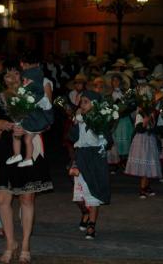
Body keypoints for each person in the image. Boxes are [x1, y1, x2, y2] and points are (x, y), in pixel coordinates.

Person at [0, 62, 53, 264]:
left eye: (15, 73)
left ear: (22, 76)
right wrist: (1, 124)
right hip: (6, 150)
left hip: (28, 149)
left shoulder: (32, 95)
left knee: (27, 200)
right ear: (2, 79)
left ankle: (25, 245)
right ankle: (10, 243)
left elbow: (47, 122)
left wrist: (30, 130)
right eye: (7, 75)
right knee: (3, 200)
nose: (11, 77)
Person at [69, 90, 111, 239]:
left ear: (95, 104)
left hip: (94, 158)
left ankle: (92, 225)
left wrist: (102, 141)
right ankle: (85, 212)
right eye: (81, 102)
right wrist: (75, 123)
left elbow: (108, 140)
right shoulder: (79, 119)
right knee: (79, 197)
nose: (82, 105)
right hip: (82, 157)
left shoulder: (101, 119)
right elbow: (72, 137)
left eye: (86, 102)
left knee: (93, 193)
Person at [6, 53, 53, 168]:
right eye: (23, 65)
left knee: (30, 144)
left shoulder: (43, 82)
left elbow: (46, 105)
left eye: (27, 65)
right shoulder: (21, 81)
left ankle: (26, 158)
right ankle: (20, 156)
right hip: (24, 120)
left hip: (35, 121)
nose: (25, 68)